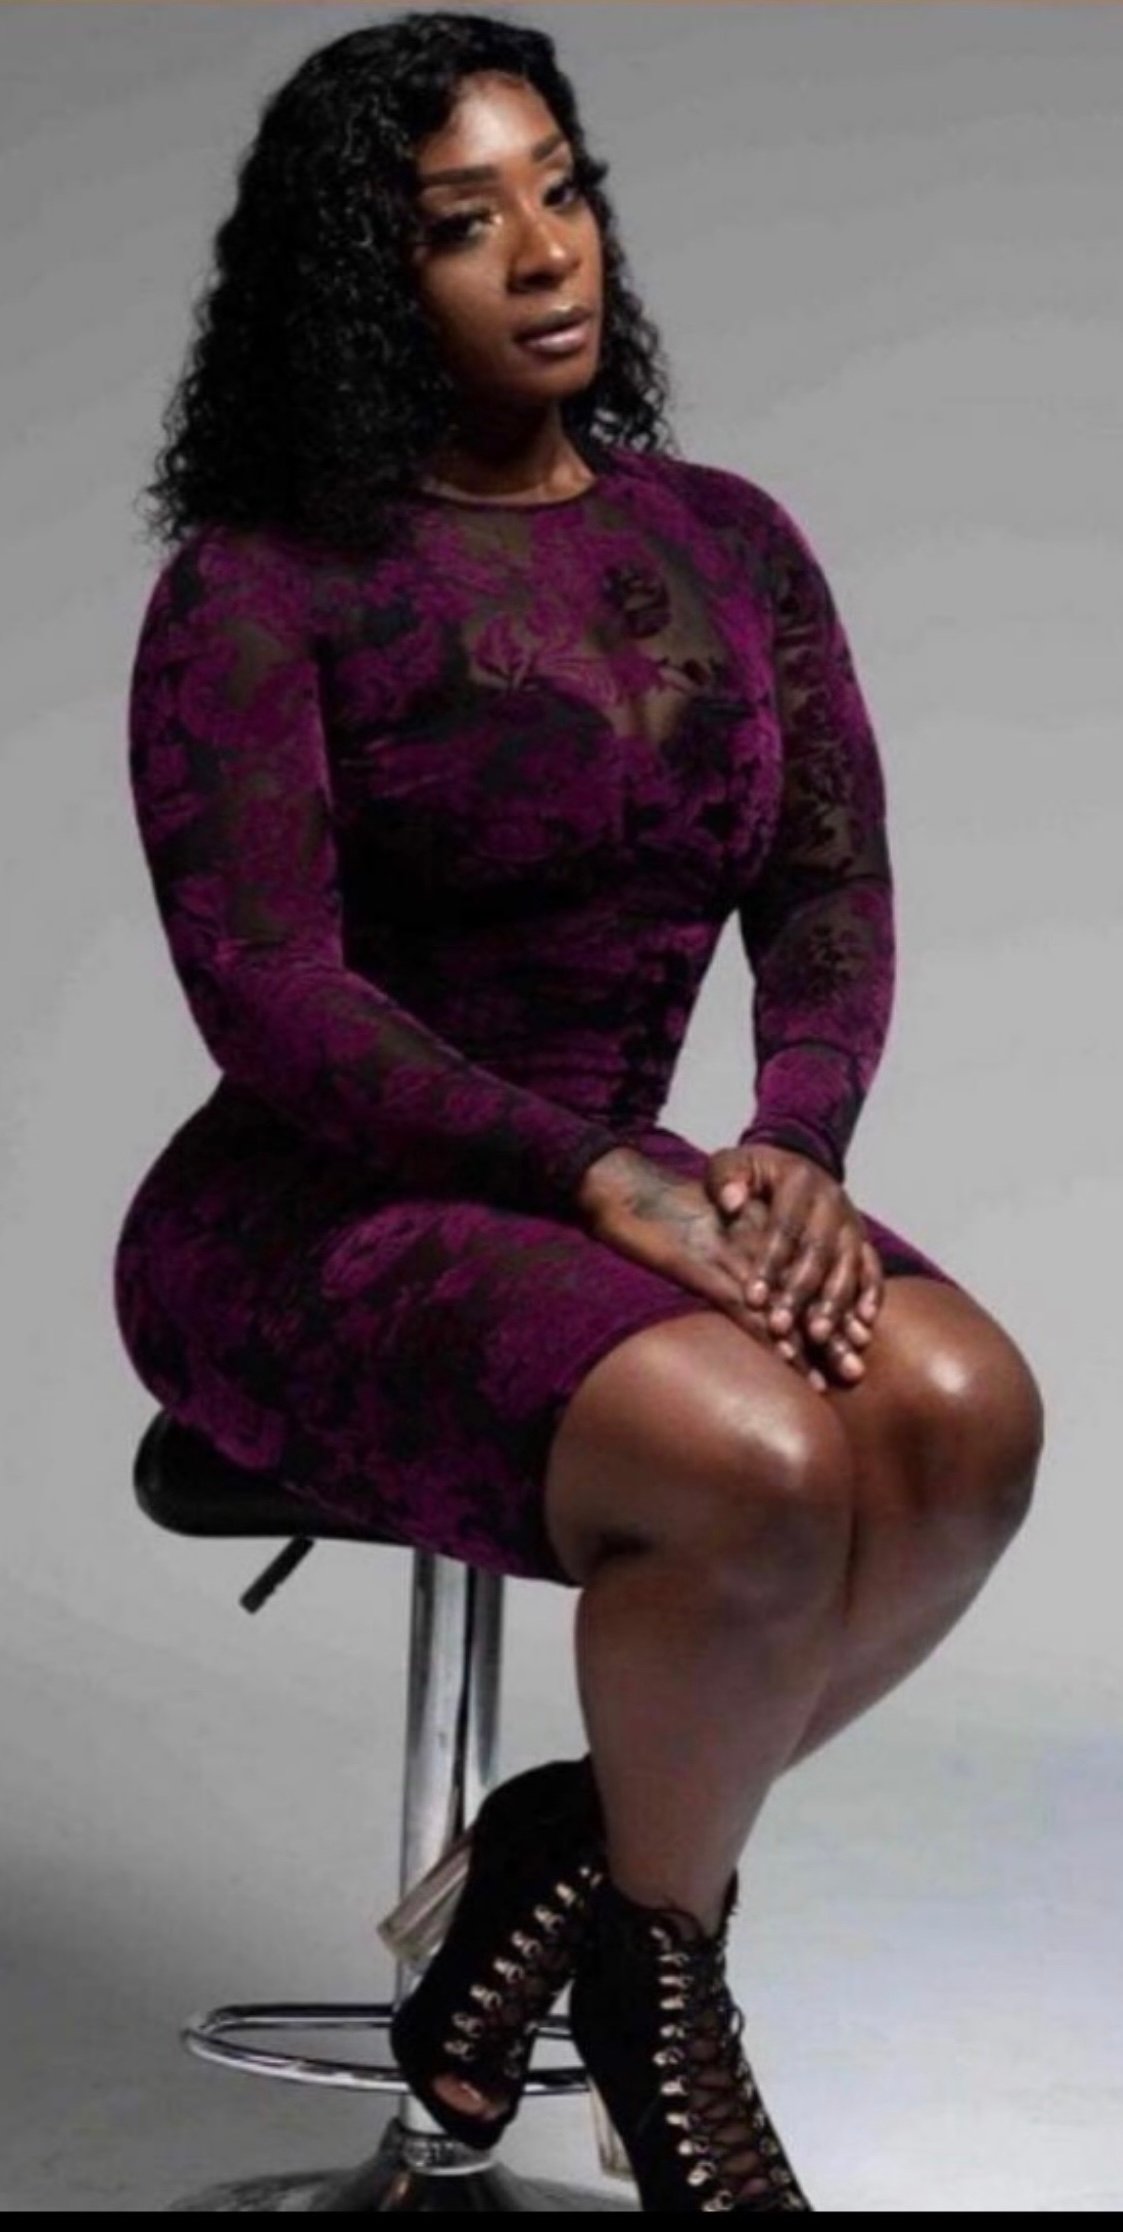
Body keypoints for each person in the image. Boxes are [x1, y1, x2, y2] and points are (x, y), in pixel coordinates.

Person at [111, 10, 1046, 2212]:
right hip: (312, 1212)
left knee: (962, 1417)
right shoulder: (259, 582)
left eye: (564, 189)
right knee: (761, 1461)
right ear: (366, 282)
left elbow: (826, 887)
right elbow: (271, 995)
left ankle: (569, 1857)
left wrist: (792, 1142)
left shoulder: (731, 543)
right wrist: (598, 1172)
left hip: (628, 1186)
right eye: (465, 222)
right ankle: (664, 2001)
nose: (545, 253)